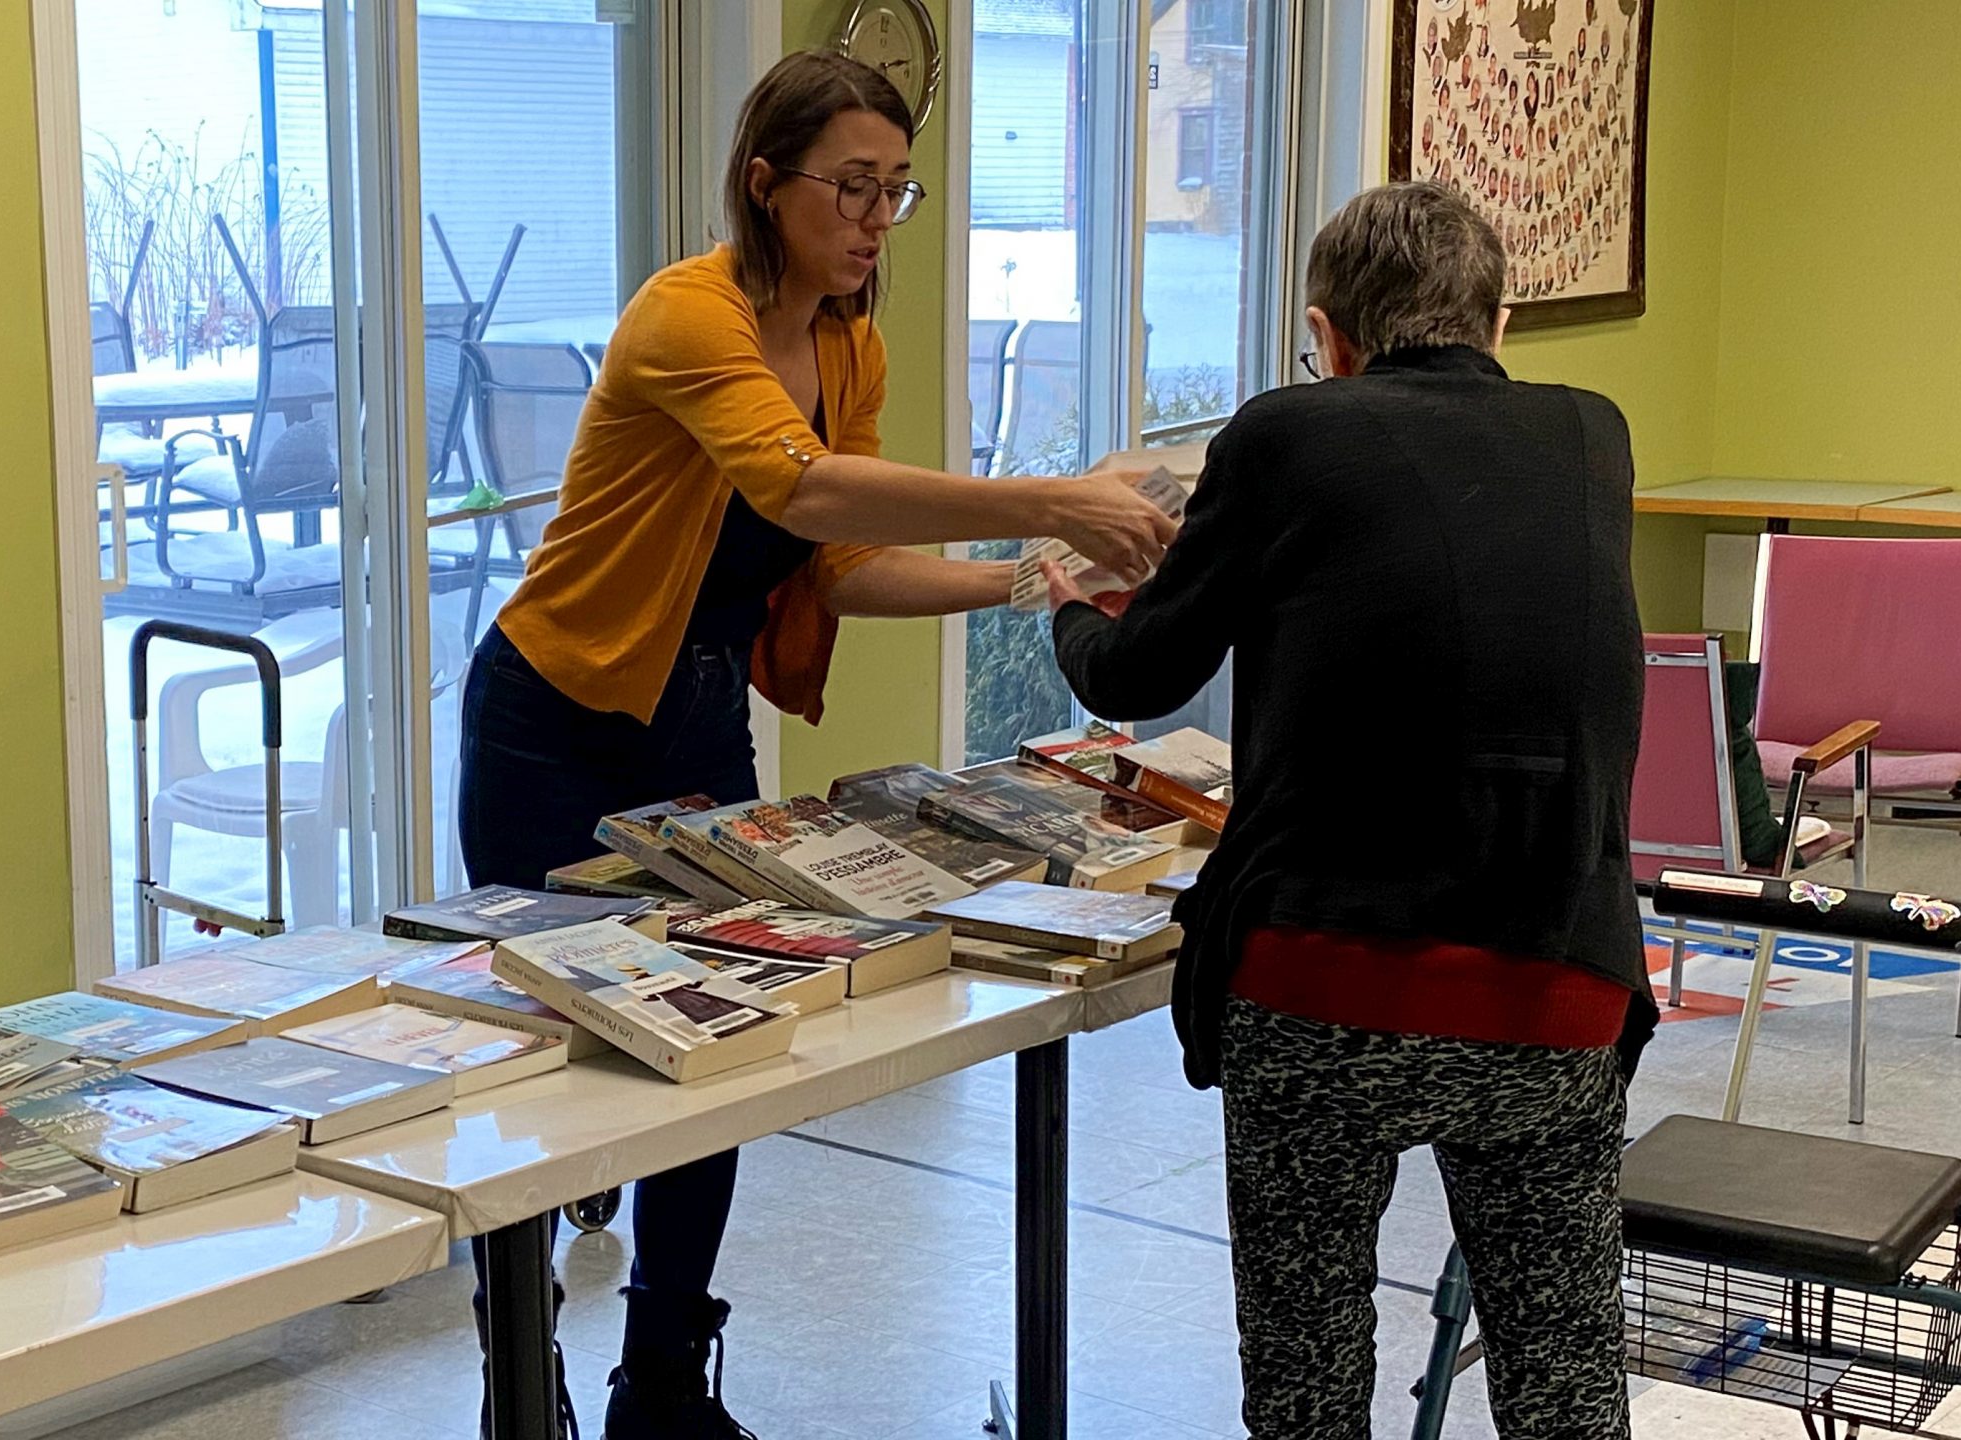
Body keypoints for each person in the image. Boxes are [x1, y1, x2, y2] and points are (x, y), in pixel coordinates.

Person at [457, 49, 1173, 1440]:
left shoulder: (853, 343)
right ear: (764, 181)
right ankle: (513, 1361)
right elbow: (795, 481)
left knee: (720, 1043)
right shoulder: (688, 315)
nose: (871, 221)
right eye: (851, 187)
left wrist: (1032, 575)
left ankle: (661, 1375)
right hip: (549, 720)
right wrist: (1055, 498)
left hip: (695, 715)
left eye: (894, 193)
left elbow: (832, 562)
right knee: (555, 1058)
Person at [1044, 181, 1653, 1440]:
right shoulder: (1593, 433)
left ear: (1326, 338)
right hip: (1557, 987)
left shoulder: (1283, 434)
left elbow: (1139, 673)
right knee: (1565, 1375)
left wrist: (1071, 599)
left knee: (1308, 1374)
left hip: (1324, 993)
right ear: (1498, 327)